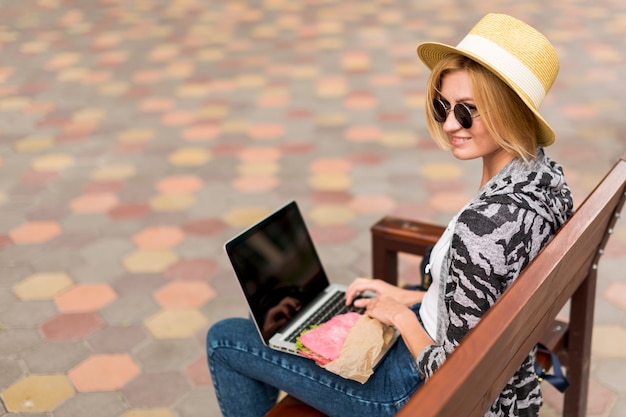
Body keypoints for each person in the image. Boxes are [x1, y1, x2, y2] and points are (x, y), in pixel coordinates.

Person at [207, 13, 573, 417]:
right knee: (273, 323)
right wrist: (409, 296)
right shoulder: (544, 182)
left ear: (510, 112)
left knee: (227, 340)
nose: (451, 124)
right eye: (442, 106)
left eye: (468, 111)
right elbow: (486, 297)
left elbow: (457, 374)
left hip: (405, 389)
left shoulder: (483, 227)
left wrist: (400, 315)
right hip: (445, 335)